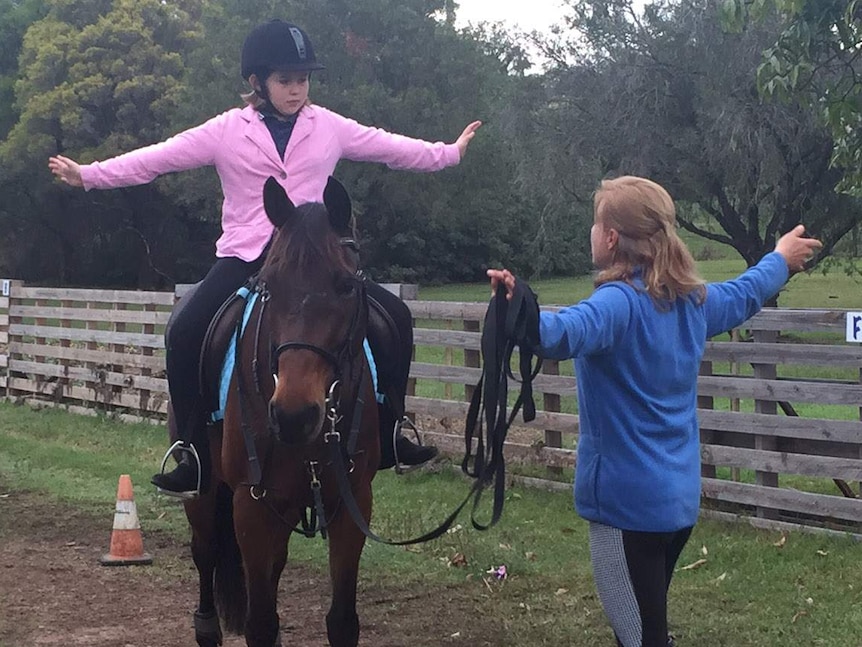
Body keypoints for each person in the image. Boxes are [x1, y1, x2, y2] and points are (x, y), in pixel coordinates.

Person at [49, 19, 482, 498]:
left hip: (314, 262)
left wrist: (449, 153)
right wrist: (90, 175)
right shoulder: (225, 131)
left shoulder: (329, 126)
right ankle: (191, 450)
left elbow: (388, 146)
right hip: (246, 256)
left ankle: (393, 431)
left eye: (303, 80)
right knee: (184, 329)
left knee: (395, 316)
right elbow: (159, 158)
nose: (297, 90)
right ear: (258, 82)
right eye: (285, 80)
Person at [487, 175, 821, 647]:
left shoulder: (617, 303)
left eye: (595, 222)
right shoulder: (693, 302)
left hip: (625, 511)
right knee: (644, 630)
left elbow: (561, 333)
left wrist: (517, 311)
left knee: (643, 639)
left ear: (610, 237)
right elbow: (748, 292)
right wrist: (781, 258)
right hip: (676, 505)